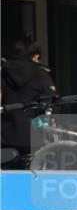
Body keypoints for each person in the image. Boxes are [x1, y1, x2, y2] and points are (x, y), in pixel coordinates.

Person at [1, 33, 57, 168]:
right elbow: (54, 105)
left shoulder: (3, 72)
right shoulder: (41, 75)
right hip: (33, 140)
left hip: (4, 138)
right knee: (31, 181)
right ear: (36, 56)